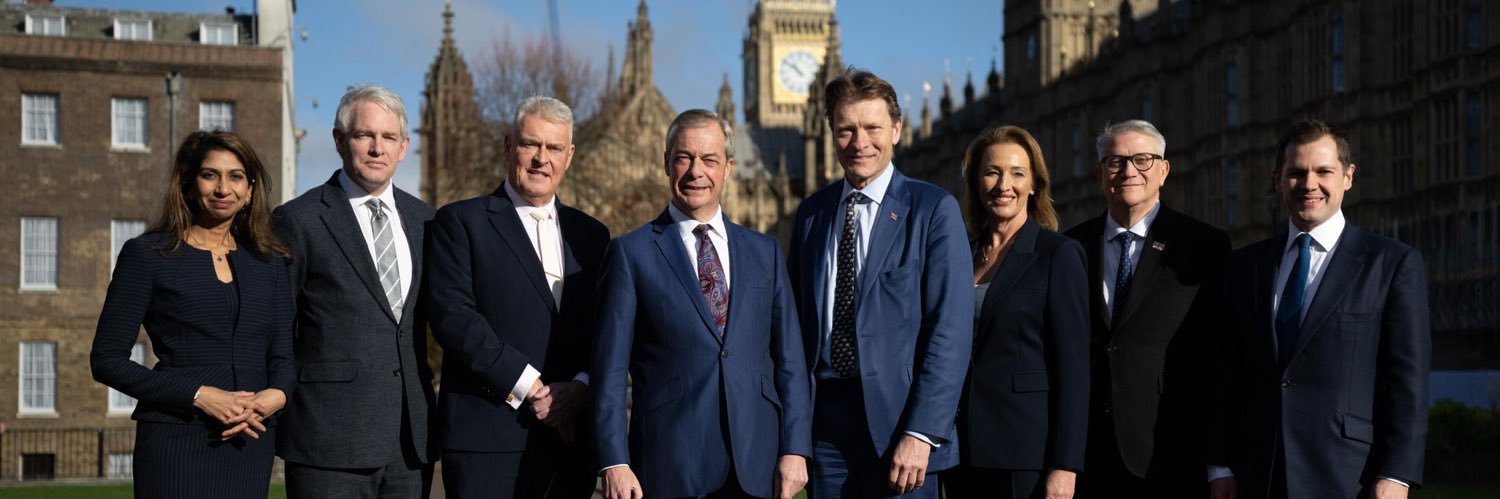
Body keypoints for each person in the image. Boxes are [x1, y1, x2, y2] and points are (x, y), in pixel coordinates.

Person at [593, 109, 812, 499]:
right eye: (684, 158)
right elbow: (609, 370)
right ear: (666, 163)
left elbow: (790, 361)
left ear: (728, 168)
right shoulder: (630, 253)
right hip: (670, 465)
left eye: (710, 159)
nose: (697, 171)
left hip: (756, 466)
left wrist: (795, 448)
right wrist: (614, 461)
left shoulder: (765, 251)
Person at [1208, 119, 1429, 499]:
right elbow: (1223, 371)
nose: (1309, 184)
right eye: (1296, 173)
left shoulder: (1391, 263)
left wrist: (1397, 474)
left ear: (1348, 176)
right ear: (1278, 180)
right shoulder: (1245, 266)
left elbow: (1408, 381)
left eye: (1323, 171)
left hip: (1348, 474)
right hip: (1255, 473)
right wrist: (1218, 465)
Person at [788, 68, 973, 499]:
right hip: (825, 428)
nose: (860, 142)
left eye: (872, 128)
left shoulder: (932, 209)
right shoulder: (812, 215)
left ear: (896, 130)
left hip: (899, 426)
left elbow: (950, 330)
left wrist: (922, 432)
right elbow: (795, 329)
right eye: (846, 130)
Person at [91, 130, 293, 498]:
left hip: (250, 438)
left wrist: (276, 396)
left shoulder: (270, 262)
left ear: (249, 190)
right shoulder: (148, 254)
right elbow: (106, 360)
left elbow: (283, 353)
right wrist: (199, 394)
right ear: (188, 183)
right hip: (175, 437)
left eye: (235, 177)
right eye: (210, 175)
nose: (223, 189)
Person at [425, 96, 607, 498]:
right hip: (488, 443)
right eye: (530, 144)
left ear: (569, 156)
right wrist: (533, 387)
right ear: (509, 146)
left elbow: (606, 325)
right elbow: (454, 318)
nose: (542, 158)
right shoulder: (460, 222)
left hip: (571, 443)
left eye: (554, 148)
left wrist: (581, 386)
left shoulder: (593, 235)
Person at [273, 85, 436, 498]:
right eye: (365, 135)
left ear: (404, 147)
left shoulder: (427, 222)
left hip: (410, 443)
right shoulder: (299, 220)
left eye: (389, 137)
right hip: (327, 442)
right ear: (339, 140)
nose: (378, 148)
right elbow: (276, 328)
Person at [1062, 120, 1230, 498]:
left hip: (1173, 451)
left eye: (1142, 160)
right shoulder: (1070, 248)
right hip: (1087, 456)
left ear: (1163, 170)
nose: (1128, 171)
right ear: (1099, 174)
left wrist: (1219, 462)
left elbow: (1222, 358)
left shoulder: (1204, 246)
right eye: (1115, 161)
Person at [942, 126, 1090, 499]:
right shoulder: (958, 256)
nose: (1003, 185)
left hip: (1025, 454)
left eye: (1017, 173)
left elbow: (1074, 370)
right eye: (991, 172)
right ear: (975, 183)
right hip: (961, 452)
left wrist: (1066, 464)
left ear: (1034, 185)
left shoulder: (1057, 255)